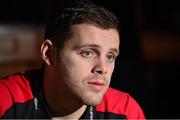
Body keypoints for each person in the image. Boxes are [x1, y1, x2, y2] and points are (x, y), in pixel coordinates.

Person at [0, 0, 145, 119]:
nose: (103, 68)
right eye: (87, 53)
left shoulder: (124, 111)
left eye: (109, 57)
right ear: (49, 53)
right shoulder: (6, 100)